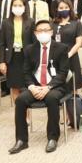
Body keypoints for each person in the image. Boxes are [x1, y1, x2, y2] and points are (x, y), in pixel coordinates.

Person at [10, 20, 70, 154]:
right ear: (35, 33)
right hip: (35, 86)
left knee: (52, 99)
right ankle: (21, 140)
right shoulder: (29, 49)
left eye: (46, 30)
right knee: (20, 100)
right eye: (40, 31)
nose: (43, 33)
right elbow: (26, 72)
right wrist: (32, 87)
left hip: (54, 86)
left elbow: (63, 73)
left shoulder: (61, 48)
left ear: (51, 32)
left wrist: (48, 87)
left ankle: (52, 138)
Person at [0, 0, 35, 102]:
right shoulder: (5, 22)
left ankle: (26, 112)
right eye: (15, 5)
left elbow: (34, 42)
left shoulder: (31, 21)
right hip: (12, 58)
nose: (17, 8)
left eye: (20, 5)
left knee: (27, 87)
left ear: (24, 7)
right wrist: (2, 62)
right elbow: (2, 44)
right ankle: (18, 111)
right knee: (15, 87)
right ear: (11, 7)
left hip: (26, 57)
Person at [53, 0, 82, 95]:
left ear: (70, 8)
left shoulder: (76, 23)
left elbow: (79, 43)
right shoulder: (53, 24)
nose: (64, 10)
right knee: (58, 86)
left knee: (73, 86)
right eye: (61, 8)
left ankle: (73, 104)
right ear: (57, 9)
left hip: (72, 57)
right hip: (57, 58)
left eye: (66, 7)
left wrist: (68, 55)